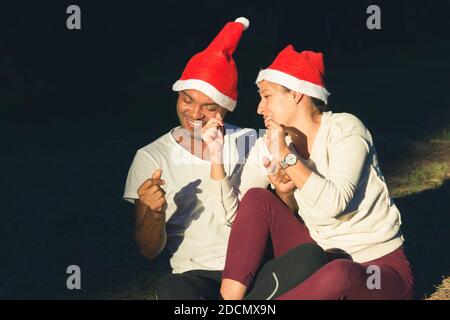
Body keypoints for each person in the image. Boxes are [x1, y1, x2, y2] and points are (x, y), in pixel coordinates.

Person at [214, 44, 414, 300]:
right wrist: (215, 158)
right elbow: (234, 215)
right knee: (257, 198)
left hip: (377, 267)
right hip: (318, 259)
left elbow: (335, 203)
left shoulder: (345, 129)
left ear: (296, 94)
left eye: (267, 96)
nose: (259, 108)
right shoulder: (271, 141)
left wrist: (286, 156)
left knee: (339, 275)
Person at [122, 17, 267, 300]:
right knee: (171, 291)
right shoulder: (152, 156)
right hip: (195, 274)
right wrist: (155, 212)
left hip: (254, 268)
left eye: (209, 107)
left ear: (226, 107)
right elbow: (148, 251)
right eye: (187, 100)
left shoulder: (251, 140)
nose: (195, 114)